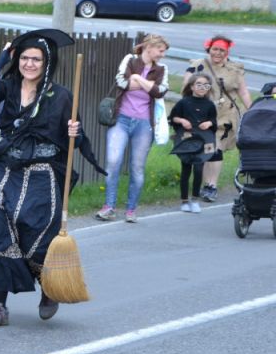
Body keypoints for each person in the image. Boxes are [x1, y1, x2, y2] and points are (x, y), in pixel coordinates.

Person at [0, 28, 95, 328]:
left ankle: (49, 288)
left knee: (35, 238)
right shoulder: (7, 86)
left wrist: (75, 134)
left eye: (36, 59)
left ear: (47, 62)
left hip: (42, 175)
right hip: (4, 171)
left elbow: (75, 142)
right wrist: (4, 57)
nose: (29, 64)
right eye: (24, 58)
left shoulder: (61, 96)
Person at [96, 34, 170, 223]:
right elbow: (121, 83)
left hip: (144, 123)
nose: (162, 55)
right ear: (149, 47)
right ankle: (109, 206)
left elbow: (160, 91)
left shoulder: (162, 69)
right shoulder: (129, 60)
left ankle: (131, 209)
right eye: (160, 50)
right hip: (121, 119)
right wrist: (147, 85)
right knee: (113, 161)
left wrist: (136, 78)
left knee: (137, 167)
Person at [182, 35, 252, 201]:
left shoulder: (234, 69)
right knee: (206, 149)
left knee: (215, 148)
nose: (218, 53)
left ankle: (211, 185)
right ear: (209, 49)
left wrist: (253, 111)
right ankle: (206, 184)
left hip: (225, 116)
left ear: (227, 52)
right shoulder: (197, 65)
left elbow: (243, 92)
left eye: (222, 50)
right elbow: (185, 88)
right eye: (215, 49)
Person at [169, 75, 217, 213]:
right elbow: (173, 118)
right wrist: (182, 121)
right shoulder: (183, 102)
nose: (202, 88)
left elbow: (214, 121)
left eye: (206, 85)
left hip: (204, 140)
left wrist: (209, 123)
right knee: (185, 169)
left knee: (198, 169)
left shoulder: (210, 104)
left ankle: (195, 200)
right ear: (191, 86)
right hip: (187, 139)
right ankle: (184, 200)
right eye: (199, 84)